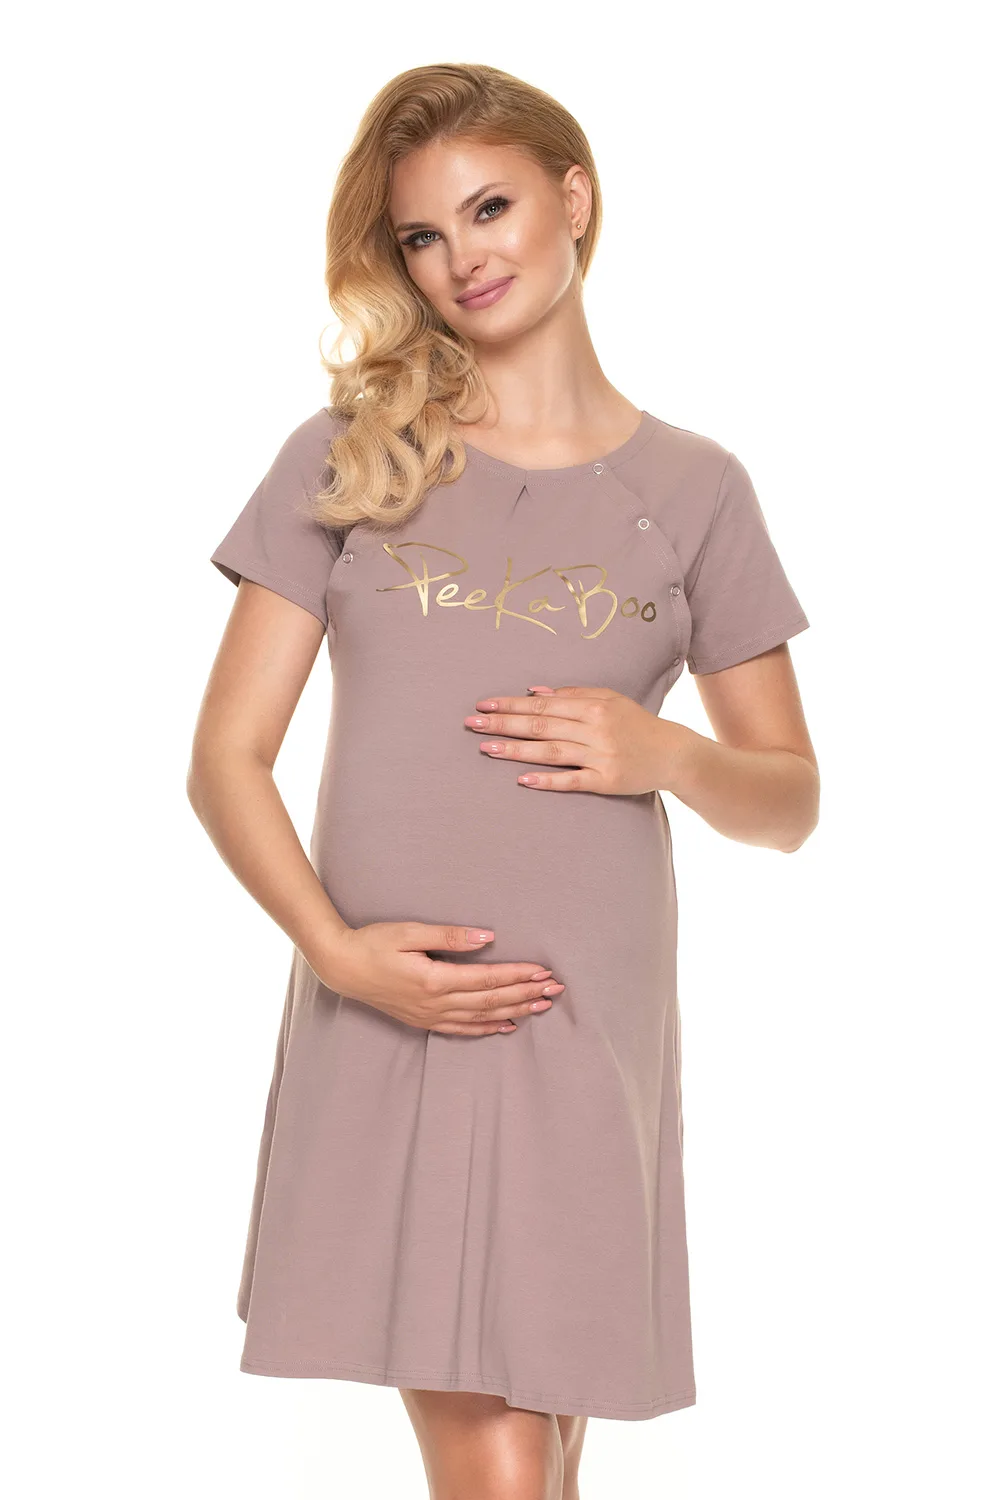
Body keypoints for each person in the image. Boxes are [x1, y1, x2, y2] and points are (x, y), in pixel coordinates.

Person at [188, 61, 819, 1500]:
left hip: (587, 1031)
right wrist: (339, 953)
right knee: (504, 1462)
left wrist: (664, 753)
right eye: (423, 233)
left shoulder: (697, 489)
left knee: (543, 1452)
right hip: (395, 1007)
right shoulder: (351, 460)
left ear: (574, 199)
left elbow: (790, 800)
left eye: (490, 209)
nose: (461, 257)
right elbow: (225, 758)